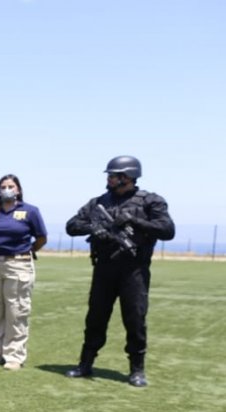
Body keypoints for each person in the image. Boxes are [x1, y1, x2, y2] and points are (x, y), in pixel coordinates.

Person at [64, 156, 174, 387]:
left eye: (113, 175)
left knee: (135, 319)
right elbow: (72, 225)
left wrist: (134, 221)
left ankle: (137, 369)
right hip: (104, 269)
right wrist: (94, 228)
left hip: (134, 270)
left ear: (127, 177)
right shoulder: (98, 202)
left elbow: (167, 230)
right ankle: (85, 364)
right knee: (95, 318)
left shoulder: (151, 202)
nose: (109, 179)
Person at [0, 174, 47, 370]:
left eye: (11, 186)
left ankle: (14, 356)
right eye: (3, 186)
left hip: (18, 264)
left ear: (18, 190)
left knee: (16, 309)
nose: (7, 189)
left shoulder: (30, 211)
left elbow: (41, 238)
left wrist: (26, 251)